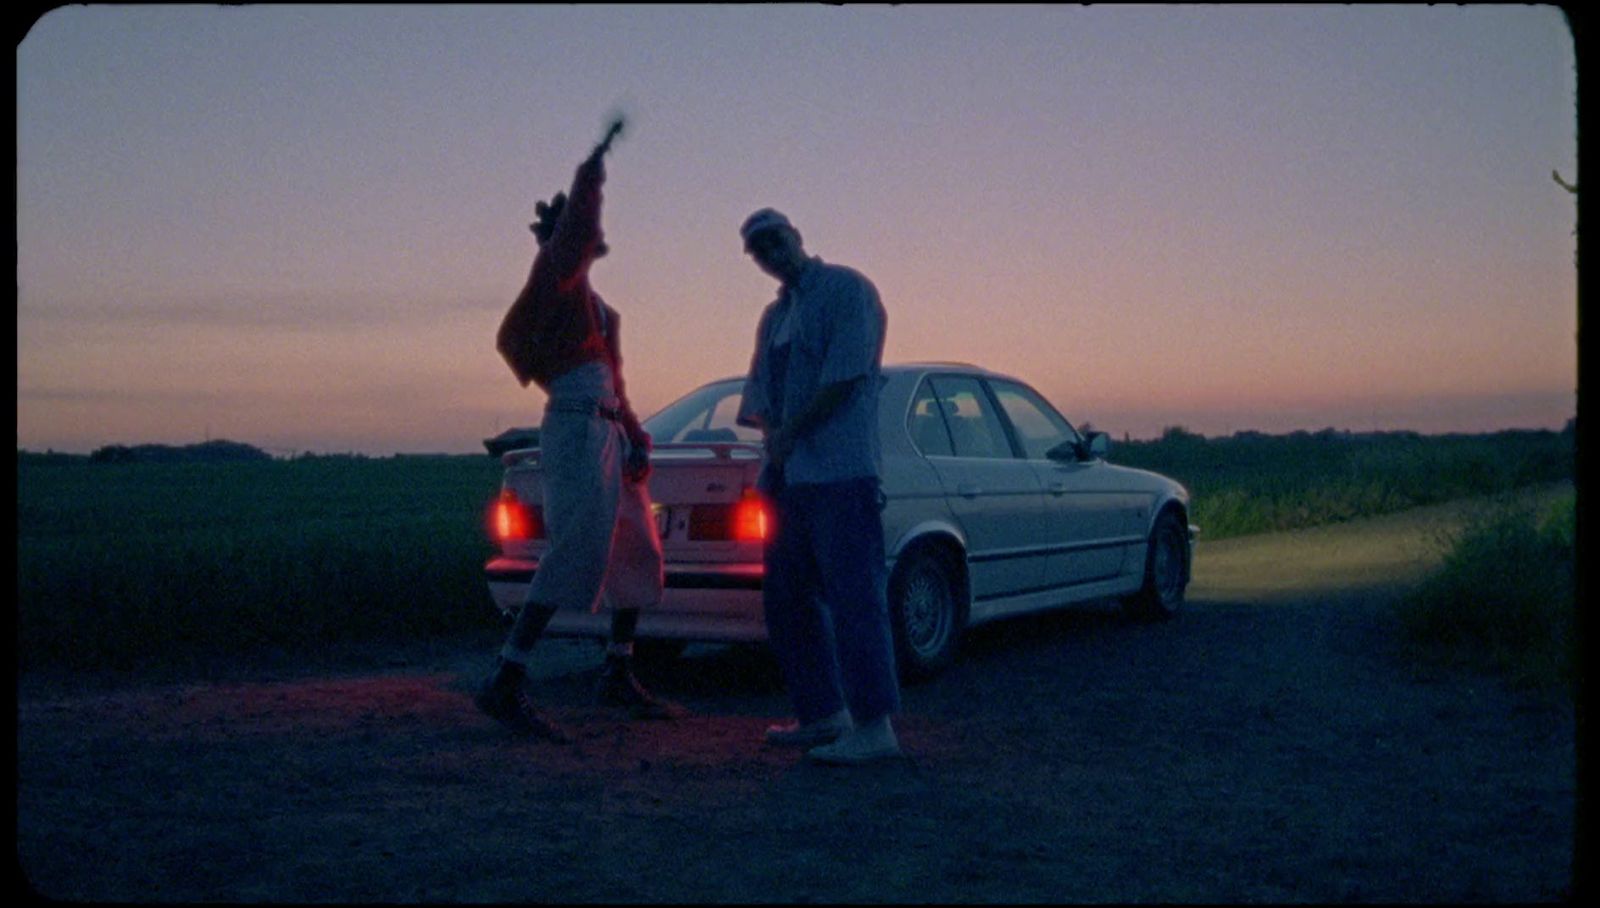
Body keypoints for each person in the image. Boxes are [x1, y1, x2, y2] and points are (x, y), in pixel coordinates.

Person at [476, 137, 682, 740]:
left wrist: (635, 435)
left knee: (638, 549)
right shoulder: (555, 284)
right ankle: (506, 679)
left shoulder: (598, 310)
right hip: (572, 427)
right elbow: (575, 234)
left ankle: (617, 671)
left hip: (606, 428)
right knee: (576, 548)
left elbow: (614, 382)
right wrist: (593, 169)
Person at [735, 208, 903, 764]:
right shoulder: (774, 315)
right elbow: (758, 390)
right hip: (786, 477)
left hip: (840, 471)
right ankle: (823, 714)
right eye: (758, 250)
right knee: (786, 597)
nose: (770, 254)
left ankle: (875, 726)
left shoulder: (846, 290)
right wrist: (775, 437)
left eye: (774, 241)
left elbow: (846, 375)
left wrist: (793, 432)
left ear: (797, 236)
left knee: (855, 596)